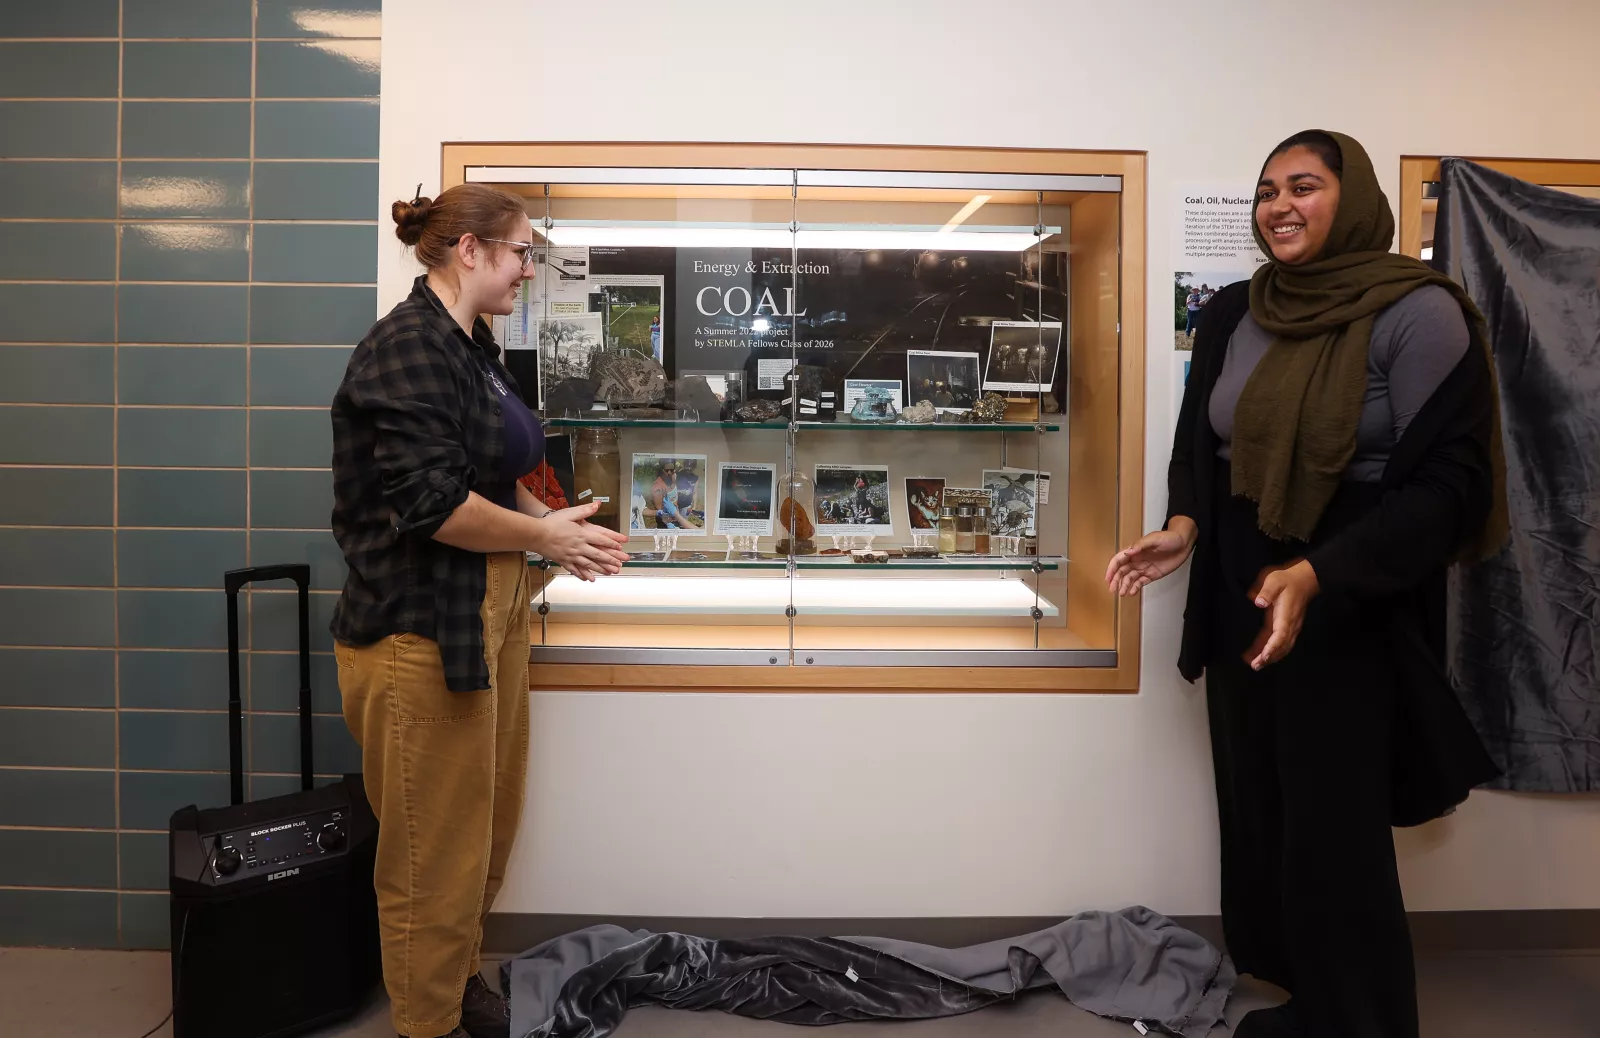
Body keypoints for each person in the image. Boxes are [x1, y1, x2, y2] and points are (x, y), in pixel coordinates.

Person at [1105, 131, 1505, 1038]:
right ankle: (1300, 990)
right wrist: (1183, 529)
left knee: (1334, 820)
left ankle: (1359, 1017)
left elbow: (1452, 487)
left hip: (1348, 587)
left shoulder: (1416, 311)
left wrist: (1318, 574)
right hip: (1244, 581)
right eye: (1265, 191)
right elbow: (1198, 446)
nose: (1278, 206)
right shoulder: (1234, 311)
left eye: (1304, 186)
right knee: (1261, 799)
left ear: (1352, 195)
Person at [330, 183, 630, 1038]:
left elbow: (489, 477)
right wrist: (550, 543)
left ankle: (458, 984)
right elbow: (431, 504)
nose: (528, 268)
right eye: (520, 252)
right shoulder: (405, 350)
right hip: (421, 632)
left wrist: (550, 525)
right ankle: (426, 1022)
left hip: (488, 615)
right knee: (432, 859)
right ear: (470, 250)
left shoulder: (471, 345)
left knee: (484, 829)